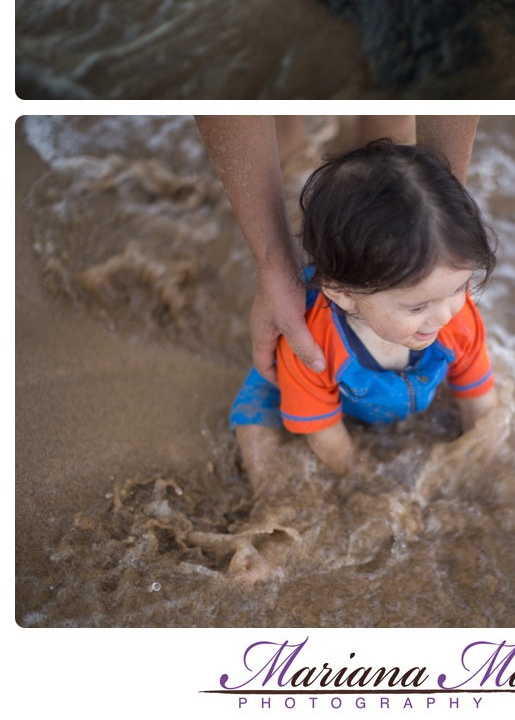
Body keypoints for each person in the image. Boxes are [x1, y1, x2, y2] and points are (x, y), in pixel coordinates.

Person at [195, 114, 480, 488]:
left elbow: (480, 401)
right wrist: (364, 483)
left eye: (457, 289)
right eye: (418, 307)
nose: (446, 315)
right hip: (292, 387)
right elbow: (326, 435)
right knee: (257, 437)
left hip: (366, 398)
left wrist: (480, 464)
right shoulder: (311, 343)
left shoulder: (451, 313)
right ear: (343, 293)